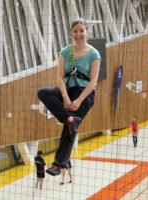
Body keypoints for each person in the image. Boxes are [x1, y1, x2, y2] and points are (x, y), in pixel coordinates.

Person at [37, 18, 101, 176]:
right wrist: (65, 98)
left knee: (69, 130)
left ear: (87, 32)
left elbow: (93, 81)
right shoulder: (65, 52)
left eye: (81, 31)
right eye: (75, 31)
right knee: (43, 92)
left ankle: (58, 164)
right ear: (72, 33)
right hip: (67, 89)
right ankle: (69, 118)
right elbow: (59, 78)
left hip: (84, 94)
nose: (78, 34)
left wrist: (78, 101)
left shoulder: (94, 54)